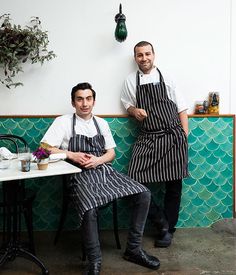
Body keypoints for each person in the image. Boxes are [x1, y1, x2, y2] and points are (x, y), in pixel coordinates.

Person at [41, 82, 160, 275]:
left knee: (144, 193)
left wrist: (98, 160)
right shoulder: (63, 122)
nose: (84, 103)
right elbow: (44, 148)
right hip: (78, 175)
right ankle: (94, 261)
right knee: (89, 205)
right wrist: (71, 155)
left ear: (94, 101)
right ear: (73, 102)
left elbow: (111, 153)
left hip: (104, 171)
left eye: (88, 99)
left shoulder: (101, 123)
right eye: (80, 99)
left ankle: (134, 249)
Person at [121, 41, 188, 248]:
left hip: (172, 136)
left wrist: (184, 135)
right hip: (148, 137)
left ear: (154, 55)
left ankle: (169, 229)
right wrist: (134, 111)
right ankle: (162, 224)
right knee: (134, 183)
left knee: (174, 187)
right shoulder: (130, 80)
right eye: (140, 55)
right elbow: (127, 104)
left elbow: (182, 107)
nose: (144, 58)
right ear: (135, 58)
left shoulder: (167, 77)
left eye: (147, 54)